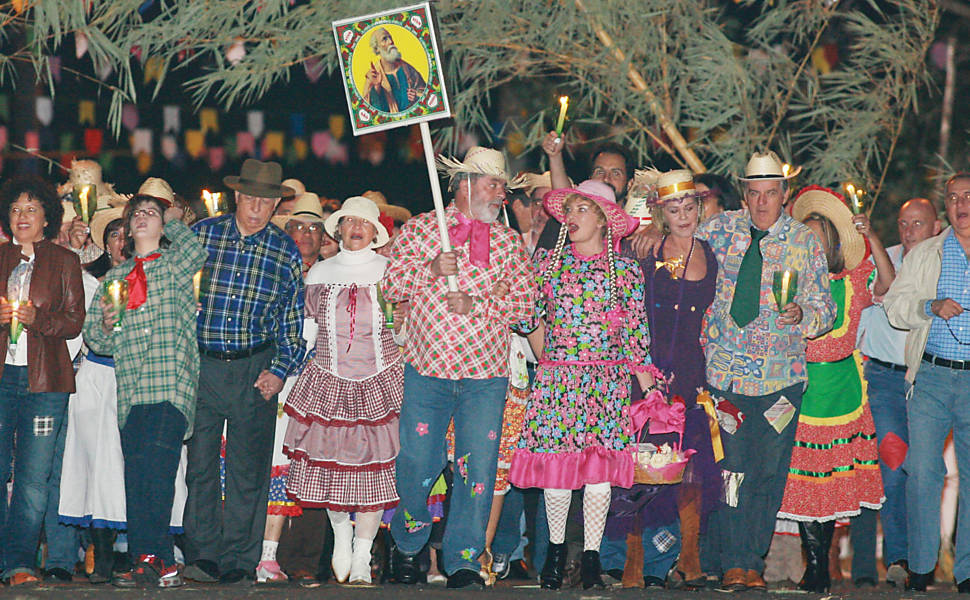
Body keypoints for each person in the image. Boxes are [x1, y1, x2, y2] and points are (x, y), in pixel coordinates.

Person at [668, 151, 835, 591]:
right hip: (725, 375)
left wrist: (804, 314)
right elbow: (679, 253)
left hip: (781, 380)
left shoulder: (803, 241)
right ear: (744, 193)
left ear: (785, 193)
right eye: (754, 193)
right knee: (732, 470)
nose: (762, 203)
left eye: (771, 193)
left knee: (768, 471)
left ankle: (749, 561)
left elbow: (827, 308)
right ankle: (734, 561)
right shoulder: (718, 231)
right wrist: (651, 236)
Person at [382, 146, 535, 590]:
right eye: (494, 184)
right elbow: (391, 287)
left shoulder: (507, 241)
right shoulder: (421, 230)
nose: (501, 193)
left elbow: (527, 307)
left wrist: (480, 303)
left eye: (503, 185)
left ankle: (465, 558)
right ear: (464, 185)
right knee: (415, 462)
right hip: (427, 369)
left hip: (485, 376)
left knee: (478, 468)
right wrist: (429, 269)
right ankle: (408, 543)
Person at [509, 179, 653, 590]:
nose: (570, 218)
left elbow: (635, 336)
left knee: (598, 473)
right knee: (557, 472)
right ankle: (555, 552)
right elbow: (524, 319)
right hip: (559, 379)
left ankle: (591, 558)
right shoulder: (548, 265)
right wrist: (515, 297)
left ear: (605, 220)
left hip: (606, 382)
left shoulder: (624, 271)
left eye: (581, 211)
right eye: (568, 211)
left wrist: (651, 388)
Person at [183, 159, 306, 585]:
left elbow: (291, 323)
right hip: (201, 363)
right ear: (237, 196)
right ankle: (203, 555)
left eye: (266, 199)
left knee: (247, 468)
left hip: (255, 366)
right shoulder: (201, 235)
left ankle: (239, 556)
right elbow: (174, 295)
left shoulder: (284, 250)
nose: (257, 205)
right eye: (250, 196)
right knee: (199, 463)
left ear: (276, 204)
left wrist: (279, 370)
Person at [82, 185, 206, 588]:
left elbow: (196, 250)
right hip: (132, 389)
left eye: (149, 213)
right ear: (127, 230)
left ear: (163, 223)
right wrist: (104, 322)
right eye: (136, 214)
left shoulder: (176, 265)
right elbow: (99, 341)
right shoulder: (115, 279)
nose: (142, 217)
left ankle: (153, 555)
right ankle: (154, 559)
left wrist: (166, 209)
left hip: (170, 382)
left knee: (156, 468)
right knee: (137, 475)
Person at [777, 186, 893, 593]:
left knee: (831, 483)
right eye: (804, 235)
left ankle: (820, 566)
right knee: (806, 482)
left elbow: (888, 284)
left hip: (843, 388)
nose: (812, 242)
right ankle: (816, 567)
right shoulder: (789, 281)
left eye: (819, 235)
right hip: (801, 388)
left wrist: (873, 238)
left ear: (832, 239)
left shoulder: (856, 276)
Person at [282, 196, 402, 585]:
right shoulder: (319, 273)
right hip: (328, 379)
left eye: (363, 222)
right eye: (349, 221)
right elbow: (308, 331)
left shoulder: (390, 270)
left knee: (375, 468)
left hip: (380, 379)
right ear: (339, 228)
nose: (356, 227)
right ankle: (341, 537)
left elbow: (403, 333)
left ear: (374, 231)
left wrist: (402, 322)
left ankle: (364, 552)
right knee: (330, 465)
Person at [620, 169, 721, 589]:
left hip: (693, 369)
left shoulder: (713, 252)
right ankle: (635, 565)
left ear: (700, 207)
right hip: (650, 369)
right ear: (661, 212)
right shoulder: (646, 248)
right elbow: (625, 308)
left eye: (689, 207)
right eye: (674, 208)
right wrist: (642, 371)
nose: (683, 215)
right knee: (645, 468)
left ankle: (687, 560)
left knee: (692, 467)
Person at [884, 172, 970, 593]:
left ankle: (967, 571)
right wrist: (929, 305)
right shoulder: (927, 253)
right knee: (922, 471)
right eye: (953, 197)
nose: (961, 204)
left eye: (969, 196)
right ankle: (920, 567)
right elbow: (895, 307)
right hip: (932, 375)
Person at [0, 175, 86, 585]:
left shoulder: (64, 261)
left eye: (31, 209)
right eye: (16, 209)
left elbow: (74, 324)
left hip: (46, 383)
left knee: (34, 478)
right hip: (2, 379)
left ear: (47, 217)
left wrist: (40, 320)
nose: (22, 216)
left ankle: (18, 563)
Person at [855, 197, 940, 587]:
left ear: (935, 226)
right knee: (892, 467)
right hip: (885, 380)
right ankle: (900, 558)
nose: (909, 232)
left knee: (923, 471)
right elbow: (882, 289)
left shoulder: (946, 262)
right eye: (904, 223)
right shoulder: (881, 256)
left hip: (929, 380)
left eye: (918, 224)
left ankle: (925, 560)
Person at [58, 203, 128, 583]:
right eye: (113, 234)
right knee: (96, 465)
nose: (121, 241)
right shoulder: (88, 281)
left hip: (136, 380)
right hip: (97, 378)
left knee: (127, 465)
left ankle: (132, 549)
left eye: (126, 233)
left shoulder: (154, 278)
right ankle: (98, 549)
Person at [365, 26, 427, 113]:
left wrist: (416, 96)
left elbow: (425, 91)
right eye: (384, 39)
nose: (391, 42)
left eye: (390, 37)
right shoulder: (374, 76)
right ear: (377, 48)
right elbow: (373, 112)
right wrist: (377, 87)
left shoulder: (406, 68)